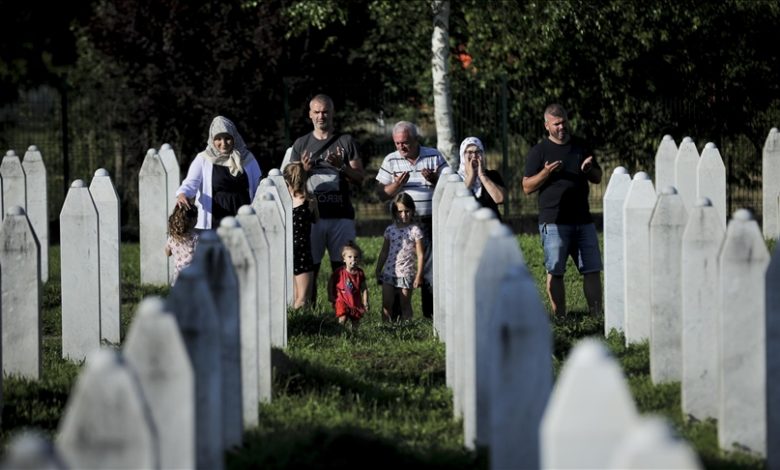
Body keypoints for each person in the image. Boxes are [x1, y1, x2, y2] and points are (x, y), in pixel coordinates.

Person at [522, 103, 603, 316]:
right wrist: (546, 173)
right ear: (547, 125)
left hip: (583, 220)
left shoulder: (580, 146)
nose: (561, 127)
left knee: (592, 269)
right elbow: (527, 187)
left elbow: (598, 177)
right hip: (554, 221)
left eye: (564, 122)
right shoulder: (539, 151)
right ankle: (560, 317)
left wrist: (588, 170)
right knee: (556, 270)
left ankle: (596, 315)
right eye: (556, 123)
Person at [290, 94, 366, 304]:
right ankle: (310, 313)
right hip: (311, 217)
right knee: (309, 267)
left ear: (332, 114)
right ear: (310, 115)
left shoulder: (346, 141)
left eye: (325, 112)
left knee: (343, 268)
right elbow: (291, 184)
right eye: (317, 112)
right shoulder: (301, 144)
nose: (321, 116)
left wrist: (341, 167)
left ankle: (344, 313)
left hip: (341, 216)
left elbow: (360, 178)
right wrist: (303, 171)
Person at [375, 121, 448, 318]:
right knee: (400, 264)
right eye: (397, 143)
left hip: (430, 219)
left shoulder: (433, 155)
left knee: (429, 267)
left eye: (405, 142)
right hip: (403, 224)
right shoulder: (391, 160)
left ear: (416, 140)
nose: (401, 147)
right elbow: (381, 194)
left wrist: (435, 180)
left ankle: (431, 314)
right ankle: (397, 315)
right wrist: (396, 186)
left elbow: (451, 185)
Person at [176, 115, 262, 229]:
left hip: (243, 218)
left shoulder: (247, 158)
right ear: (212, 139)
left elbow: (259, 187)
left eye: (227, 138)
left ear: (234, 138)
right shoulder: (203, 159)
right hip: (214, 219)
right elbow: (190, 183)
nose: (223, 143)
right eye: (218, 139)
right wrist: (182, 194)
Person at [375, 193, 425, 322]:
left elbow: (420, 254)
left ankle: (408, 328)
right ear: (395, 212)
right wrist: (378, 269)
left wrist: (419, 275)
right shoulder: (390, 230)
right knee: (387, 303)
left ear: (412, 210)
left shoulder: (415, 231)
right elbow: (384, 252)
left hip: (406, 273)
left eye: (407, 211)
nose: (403, 215)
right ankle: (386, 328)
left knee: (405, 304)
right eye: (400, 211)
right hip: (389, 272)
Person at [283, 161, 319, 309]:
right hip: (302, 250)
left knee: (293, 296)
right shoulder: (309, 201)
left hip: (288, 249)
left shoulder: (283, 202)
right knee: (303, 298)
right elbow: (315, 219)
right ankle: (302, 325)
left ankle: (294, 325)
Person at [457, 136, 507, 222]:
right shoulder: (456, 178)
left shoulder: (492, 175)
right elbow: (456, 201)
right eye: (469, 152)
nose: (474, 156)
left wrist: (482, 175)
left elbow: (500, 199)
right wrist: (471, 176)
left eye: (478, 152)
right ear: (462, 154)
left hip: (492, 228)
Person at [328, 241, 369, 330]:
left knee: (355, 321)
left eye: (356, 257)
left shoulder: (360, 273)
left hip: (355, 302)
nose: (353, 260)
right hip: (342, 300)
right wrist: (331, 295)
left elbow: (364, 288)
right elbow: (331, 282)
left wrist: (365, 301)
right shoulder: (339, 272)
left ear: (359, 259)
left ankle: (354, 336)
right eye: (350, 257)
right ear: (344, 259)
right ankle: (340, 333)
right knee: (342, 318)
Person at [164, 202, 199, 285]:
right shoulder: (195, 237)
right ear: (192, 220)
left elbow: (167, 253)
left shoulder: (172, 238)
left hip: (178, 279)